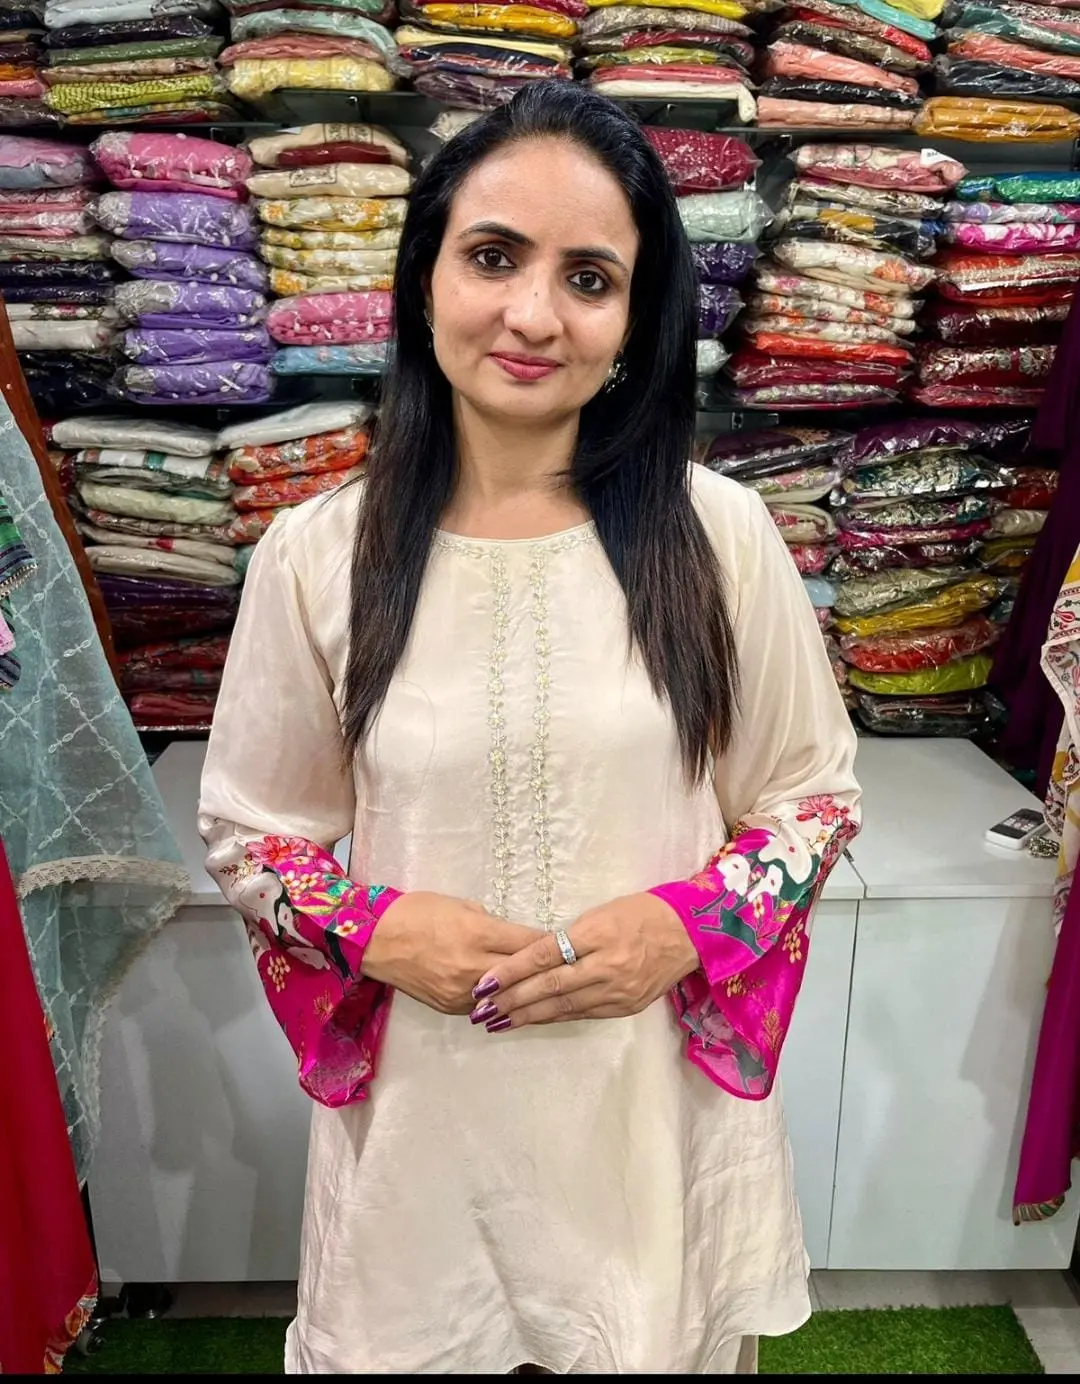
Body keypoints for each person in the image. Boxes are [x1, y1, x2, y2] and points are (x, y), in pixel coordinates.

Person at [199, 82, 861, 1376]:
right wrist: (375, 928)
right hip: (424, 1128)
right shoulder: (317, 556)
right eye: (494, 257)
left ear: (635, 321)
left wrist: (687, 926)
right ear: (425, 276)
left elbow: (812, 796)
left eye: (589, 278)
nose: (533, 315)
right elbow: (249, 831)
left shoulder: (720, 538)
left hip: (643, 1122)